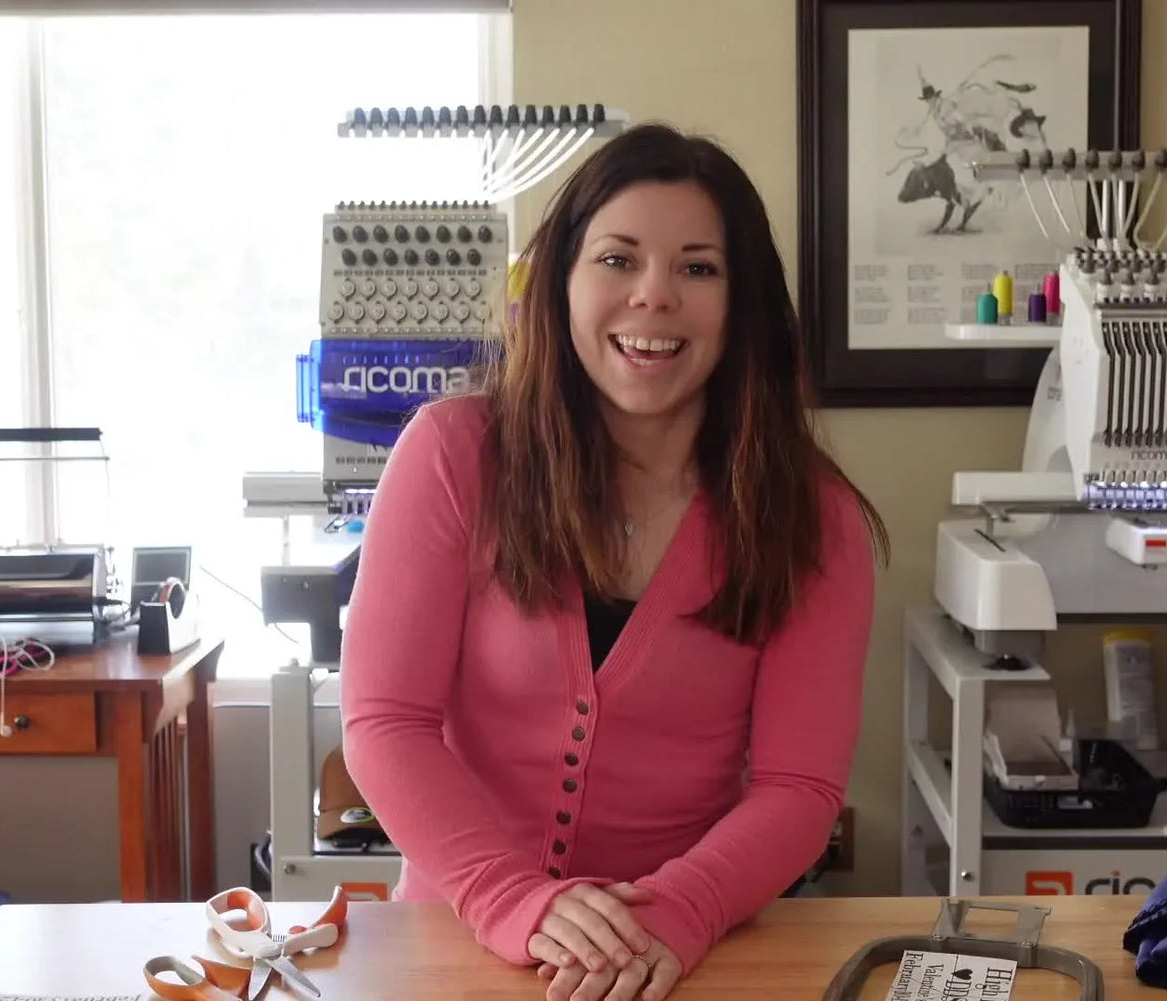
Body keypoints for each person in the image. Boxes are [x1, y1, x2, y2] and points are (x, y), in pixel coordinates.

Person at [339, 121, 888, 1001]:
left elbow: (799, 785)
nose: (654, 297)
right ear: (560, 281)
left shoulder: (815, 519)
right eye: (618, 259)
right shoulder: (451, 453)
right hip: (452, 947)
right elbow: (383, 721)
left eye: (699, 268)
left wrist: (680, 908)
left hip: (675, 960)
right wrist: (511, 895)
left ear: (744, 304)